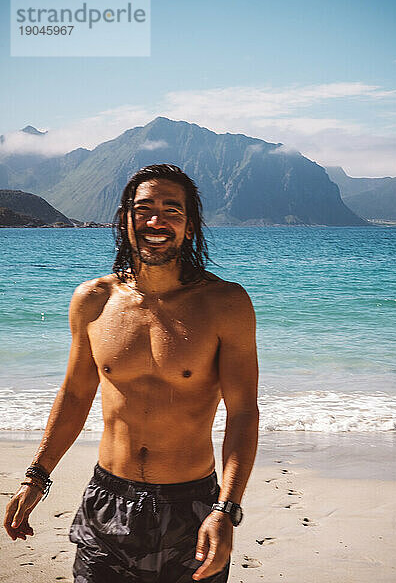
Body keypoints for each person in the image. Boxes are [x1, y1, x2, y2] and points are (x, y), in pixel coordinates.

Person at [4, 164, 259, 582]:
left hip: (191, 506)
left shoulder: (225, 304)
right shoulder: (93, 301)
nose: (156, 221)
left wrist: (226, 510)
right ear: (124, 221)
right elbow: (74, 395)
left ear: (190, 227)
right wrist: (36, 477)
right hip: (107, 499)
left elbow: (244, 412)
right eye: (144, 209)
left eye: (172, 210)